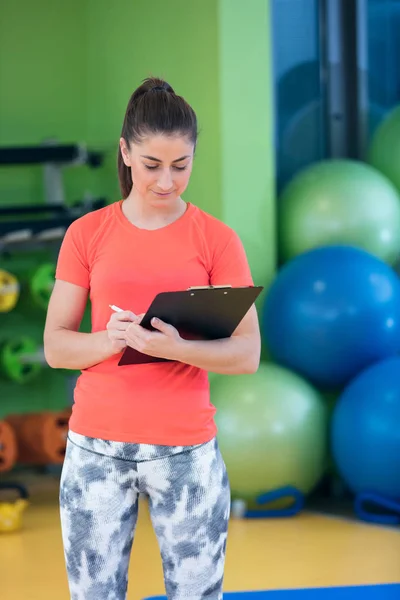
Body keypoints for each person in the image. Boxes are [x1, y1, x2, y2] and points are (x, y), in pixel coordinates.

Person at [44, 76, 261, 600]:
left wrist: (176, 348)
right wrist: (110, 341)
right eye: (151, 166)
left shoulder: (216, 239)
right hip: (96, 448)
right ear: (125, 152)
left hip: (186, 450)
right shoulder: (87, 233)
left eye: (180, 166)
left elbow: (247, 354)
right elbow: (55, 346)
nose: (167, 181)